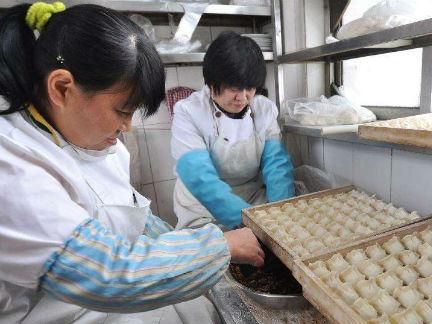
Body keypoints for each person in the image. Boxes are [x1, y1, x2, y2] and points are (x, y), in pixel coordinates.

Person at [0, 2, 264, 323]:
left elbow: (131, 217)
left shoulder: (91, 140)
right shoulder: (11, 164)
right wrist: (218, 246)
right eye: (123, 111)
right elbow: (105, 276)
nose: (127, 127)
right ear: (61, 88)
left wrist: (188, 246)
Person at [171, 31, 295, 230]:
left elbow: (276, 166)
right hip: (201, 206)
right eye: (234, 88)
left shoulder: (263, 109)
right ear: (212, 83)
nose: (243, 97)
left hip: (252, 197)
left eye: (250, 88)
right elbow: (199, 176)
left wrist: (282, 213)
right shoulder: (189, 112)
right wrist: (248, 223)